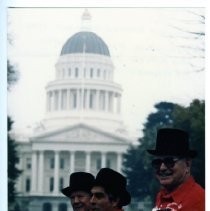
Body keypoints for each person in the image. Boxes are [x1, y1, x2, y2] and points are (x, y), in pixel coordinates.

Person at [147, 128, 205, 211]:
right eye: (157, 162)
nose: (162, 168)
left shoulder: (199, 201)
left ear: (187, 164)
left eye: (169, 162)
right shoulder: (161, 196)